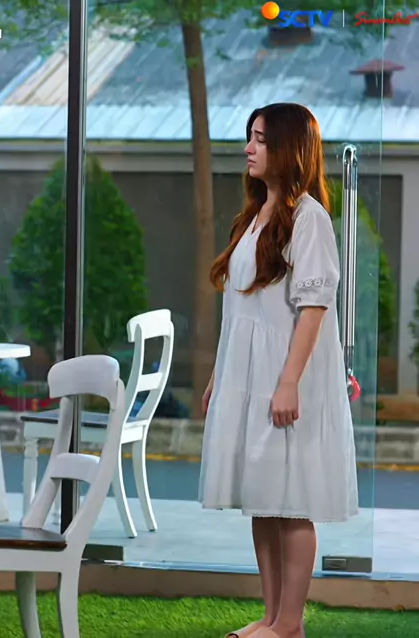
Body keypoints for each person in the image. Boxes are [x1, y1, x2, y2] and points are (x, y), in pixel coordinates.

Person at [198, 103, 358, 638]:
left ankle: (289, 622)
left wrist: (288, 382)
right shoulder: (255, 216)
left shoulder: (310, 218)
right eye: (250, 137)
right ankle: (270, 618)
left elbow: (314, 307)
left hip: (285, 377)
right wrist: (221, 375)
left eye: (261, 140)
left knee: (291, 502)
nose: (249, 148)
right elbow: (241, 308)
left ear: (288, 148)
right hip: (249, 376)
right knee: (263, 500)